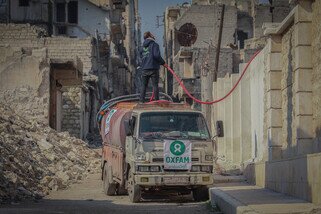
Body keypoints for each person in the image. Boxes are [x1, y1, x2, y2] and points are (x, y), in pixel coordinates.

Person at [139, 31, 166, 103]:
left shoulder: (141, 47)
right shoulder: (154, 45)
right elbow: (156, 55)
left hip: (144, 68)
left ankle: (141, 101)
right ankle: (157, 100)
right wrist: (163, 63)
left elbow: (141, 56)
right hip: (153, 68)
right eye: (152, 34)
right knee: (155, 85)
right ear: (150, 36)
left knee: (143, 85)